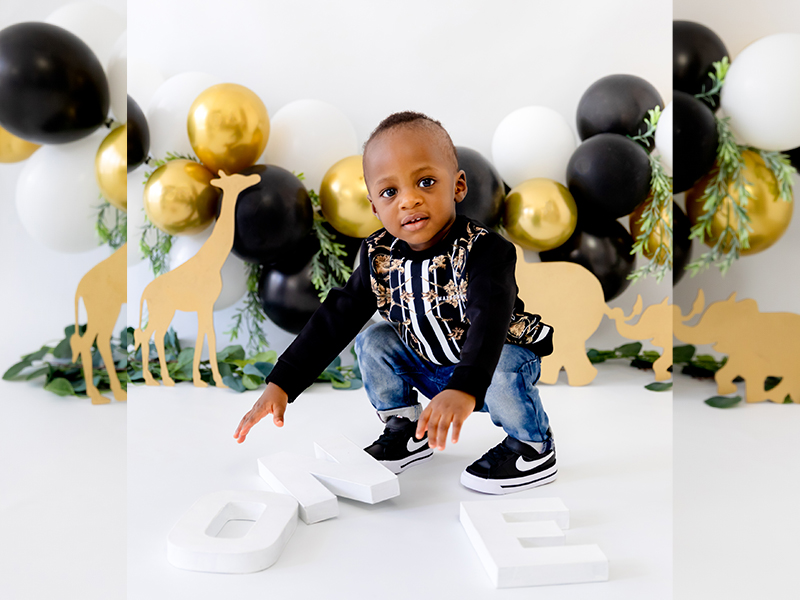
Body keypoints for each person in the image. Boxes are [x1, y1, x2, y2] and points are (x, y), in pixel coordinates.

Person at [234, 111, 556, 494]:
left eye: (425, 182)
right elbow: (336, 317)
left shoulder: (484, 250)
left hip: (489, 367)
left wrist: (464, 387)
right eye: (390, 192)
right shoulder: (379, 255)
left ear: (457, 186)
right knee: (374, 340)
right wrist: (282, 383)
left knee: (504, 363)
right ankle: (406, 429)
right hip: (432, 366)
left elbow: (490, 321)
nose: (409, 200)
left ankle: (533, 446)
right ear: (374, 206)